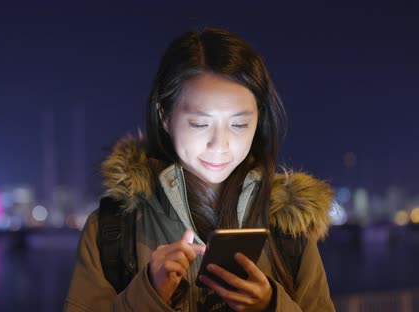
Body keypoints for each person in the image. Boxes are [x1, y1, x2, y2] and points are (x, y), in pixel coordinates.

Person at [64, 28, 335, 311]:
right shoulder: (111, 229)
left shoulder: (289, 226)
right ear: (164, 116)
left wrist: (271, 305)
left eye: (239, 124)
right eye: (199, 124)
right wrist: (147, 295)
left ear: (259, 119)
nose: (220, 144)